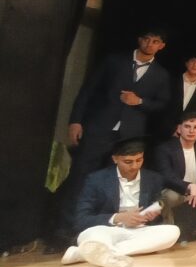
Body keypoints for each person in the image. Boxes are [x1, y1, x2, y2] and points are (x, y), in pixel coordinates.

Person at [55, 29, 171, 250]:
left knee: (117, 183)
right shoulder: (114, 61)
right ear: (139, 39)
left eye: (155, 41)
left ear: (161, 46)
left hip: (128, 135)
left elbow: (162, 104)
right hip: (99, 128)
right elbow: (88, 90)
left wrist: (140, 102)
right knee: (80, 178)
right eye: (146, 39)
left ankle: (111, 230)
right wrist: (76, 120)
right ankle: (65, 232)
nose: (149, 44)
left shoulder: (161, 74)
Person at [61, 138, 180, 267]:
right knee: (93, 235)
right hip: (106, 229)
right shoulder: (96, 180)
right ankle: (102, 251)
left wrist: (151, 215)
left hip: (138, 231)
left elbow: (156, 214)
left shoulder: (153, 178)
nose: (134, 166)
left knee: (172, 232)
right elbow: (81, 220)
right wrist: (118, 218)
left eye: (139, 160)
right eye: (128, 162)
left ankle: (87, 254)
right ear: (115, 159)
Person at [154, 113, 196, 240]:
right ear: (179, 129)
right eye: (187, 126)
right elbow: (166, 176)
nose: (191, 131)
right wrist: (189, 187)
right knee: (171, 196)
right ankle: (169, 229)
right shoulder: (165, 149)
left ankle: (182, 230)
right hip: (175, 191)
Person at [157, 52, 196, 138]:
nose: (195, 64)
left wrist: (184, 131)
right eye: (193, 61)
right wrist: (172, 129)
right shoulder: (169, 82)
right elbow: (157, 106)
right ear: (186, 63)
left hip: (185, 138)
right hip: (159, 133)